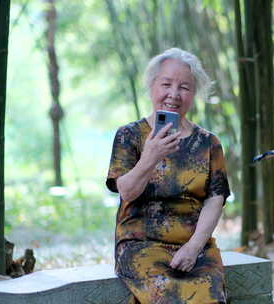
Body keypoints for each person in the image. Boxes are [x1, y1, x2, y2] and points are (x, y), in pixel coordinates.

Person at [106, 47, 230, 304]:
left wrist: (194, 247)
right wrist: (150, 156)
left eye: (184, 87)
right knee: (168, 294)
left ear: (194, 93)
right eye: (166, 84)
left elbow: (215, 200)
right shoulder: (129, 135)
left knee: (210, 296)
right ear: (152, 86)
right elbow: (127, 192)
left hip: (195, 244)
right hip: (141, 245)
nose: (174, 94)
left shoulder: (209, 143)